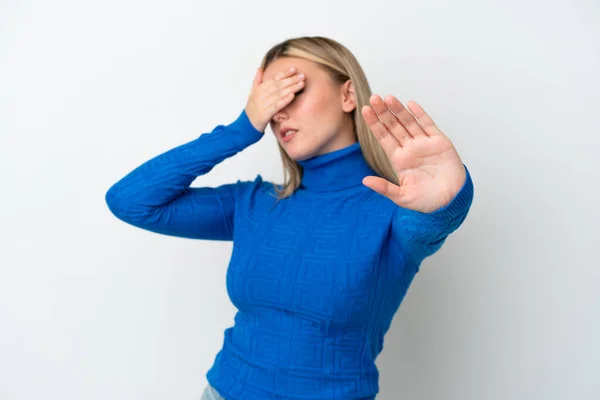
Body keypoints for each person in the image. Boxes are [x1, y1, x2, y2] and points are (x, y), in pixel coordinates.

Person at [105, 36, 474, 400]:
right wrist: (240, 129)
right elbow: (131, 201)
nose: (279, 111)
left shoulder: (395, 208)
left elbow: (434, 216)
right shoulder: (255, 202)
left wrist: (450, 199)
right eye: (270, 98)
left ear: (348, 95)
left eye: (294, 90)